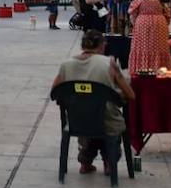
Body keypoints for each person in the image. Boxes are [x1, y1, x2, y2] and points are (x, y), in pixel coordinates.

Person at [53, 29, 135, 174]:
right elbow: (130, 95)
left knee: (88, 117)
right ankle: (110, 161)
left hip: (77, 121)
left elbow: (55, 92)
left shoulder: (66, 65)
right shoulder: (109, 63)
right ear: (102, 46)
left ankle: (85, 162)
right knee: (107, 118)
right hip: (106, 121)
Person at [127, 0, 171, 73]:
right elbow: (167, 13)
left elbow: (132, 12)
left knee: (143, 48)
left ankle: (142, 69)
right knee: (160, 48)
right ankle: (160, 70)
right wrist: (165, 22)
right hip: (159, 23)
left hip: (143, 24)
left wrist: (136, 23)